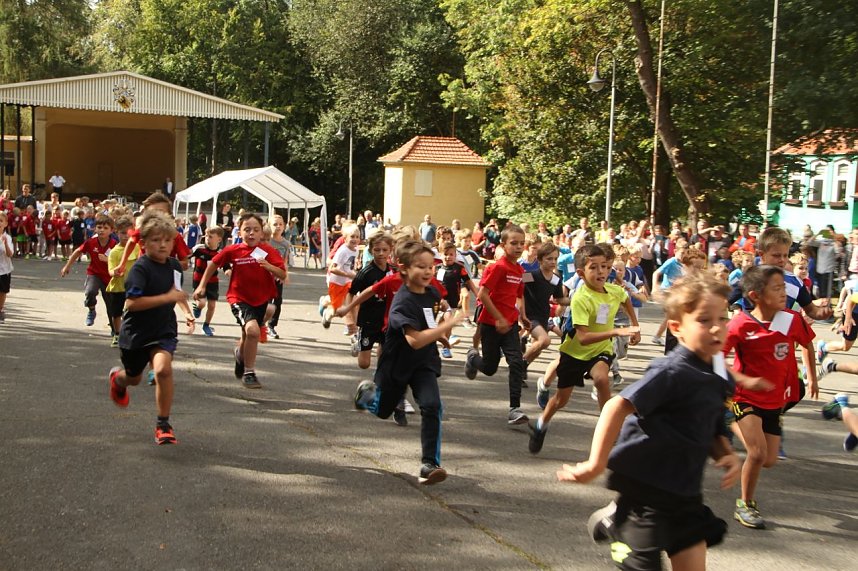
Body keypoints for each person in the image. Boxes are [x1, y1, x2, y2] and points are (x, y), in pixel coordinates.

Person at [557, 271, 741, 571]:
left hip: (685, 494)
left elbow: (709, 424)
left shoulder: (720, 374)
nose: (716, 328)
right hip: (646, 494)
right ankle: (618, 522)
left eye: (723, 318)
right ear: (677, 328)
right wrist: (595, 464)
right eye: (704, 320)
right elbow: (617, 406)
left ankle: (616, 518)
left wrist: (727, 454)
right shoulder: (672, 371)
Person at [354, 240, 464, 485]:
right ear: (403, 269)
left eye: (430, 267)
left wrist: (442, 337)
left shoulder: (432, 293)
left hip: (424, 363)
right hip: (396, 365)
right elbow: (413, 340)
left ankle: (429, 464)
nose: (428, 272)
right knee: (383, 411)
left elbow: (428, 323)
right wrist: (448, 325)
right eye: (421, 267)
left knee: (432, 405)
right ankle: (365, 396)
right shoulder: (402, 303)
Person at [723, 265, 816, 529]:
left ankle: (729, 422)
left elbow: (807, 343)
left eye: (783, 288)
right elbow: (717, 359)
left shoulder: (791, 319)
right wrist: (743, 380)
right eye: (776, 289)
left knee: (769, 460)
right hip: (745, 398)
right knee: (757, 452)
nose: (783, 293)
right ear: (755, 295)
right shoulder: (740, 323)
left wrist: (812, 377)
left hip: (775, 400)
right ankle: (745, 504)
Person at [528, 244, 641, 454]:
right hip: (575, 352)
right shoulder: (581, 298)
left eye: (606, 267)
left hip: (601, 350)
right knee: (561, 400)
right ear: (581, 273)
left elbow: (626, 299)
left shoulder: (614, 291)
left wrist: (635, 327)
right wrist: (617, 332)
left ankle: (610, 427)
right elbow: (584, 337)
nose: (602, 272)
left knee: (602, 379)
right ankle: (541, 424)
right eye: (595, 267)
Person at [107, 210, 195, 445]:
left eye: (167, 240)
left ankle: (163, 424)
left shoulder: (175, 266)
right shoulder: (140, 269)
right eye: (156, 240)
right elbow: (132, 304)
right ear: (143, 243)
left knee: (163, 369)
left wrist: (187, 312)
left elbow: (175, 294)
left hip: (163, 329)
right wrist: (166, 298)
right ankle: (118, 380)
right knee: (133, 379)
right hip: (136, 332)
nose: (163, 245)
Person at [194, 213, 287, 389]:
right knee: (253, 331)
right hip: (239, 298)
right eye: (247, 229)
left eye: (256, 230)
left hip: (261, 298)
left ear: (261, 233)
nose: (251, 233)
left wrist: (270, 267)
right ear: (239, 232)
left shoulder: (268, 251)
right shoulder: (233, 250)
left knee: (247, 334)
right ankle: (249, 372)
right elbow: (214, 263)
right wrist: (202, 286)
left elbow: (282, 274)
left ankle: (240, 355)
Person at [464, 225, 532, 425]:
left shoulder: (520, 270)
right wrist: (498, 318)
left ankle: (514, 408)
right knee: (490, 368)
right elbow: (483, 294)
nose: (519, 247)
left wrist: (523, 316)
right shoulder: (497, 267)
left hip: (510, 324)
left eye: (522, 243)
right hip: (490, 323)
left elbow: (519, 295)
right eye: (514, 243)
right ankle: (473, 358)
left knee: (516, 362)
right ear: (503, 245)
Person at [60, 214, 117, 329]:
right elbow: (77, 252)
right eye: (99, 227)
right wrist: (67, 266)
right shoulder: (91, 242)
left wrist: (108, 260)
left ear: (111, 230)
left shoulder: (114, 244)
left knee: (111, 306)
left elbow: (119, 262)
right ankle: (91, 310)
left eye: (105, 228)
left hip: (109, 277)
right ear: (95, 228)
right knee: (90, 292)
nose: (102, 230)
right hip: (94, 274)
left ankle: (114, 330)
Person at [522, 242, 570, 374]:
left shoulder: (556, 279)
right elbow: (516, 288)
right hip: (529, 316)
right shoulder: (531, 275)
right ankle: (520, 363)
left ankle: (521, 370)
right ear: (540, 259)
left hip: (543, 315)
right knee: (545, 341)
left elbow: (559, 299)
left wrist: (576, 300)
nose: (553, 262)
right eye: (549, 258)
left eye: (555, 258)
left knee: (537, 349)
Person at [436, 240, 479, 358]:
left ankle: (446, 347)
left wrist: (477, 294)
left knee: (448, 321)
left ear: (455, 255)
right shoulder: (436, 268)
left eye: (451, 254)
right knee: (439, 325)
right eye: (445, 254)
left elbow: (468, 281)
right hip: (438, 301)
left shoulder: (459, 268)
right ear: (440, 255)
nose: (448, 257)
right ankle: (440, 339)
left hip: (452, 301)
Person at [106, 216, 140, 347]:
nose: (126, 236)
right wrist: (115, 271)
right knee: (117, 313)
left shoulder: (136, 247)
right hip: (118, 286)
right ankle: (117, 333)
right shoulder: (114, 252)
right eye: (122, 233)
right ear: (116, 233)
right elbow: (110, 271)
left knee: (133, 310)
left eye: (129, 233)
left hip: (133, 286)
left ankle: (132, 334)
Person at [320, 225, 359, 330]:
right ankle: (327, 311)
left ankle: (352, 327)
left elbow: (350, 266)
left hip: (348, 282)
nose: (355, 239)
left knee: (351, 302)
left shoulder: (356, 249)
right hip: (336, 282)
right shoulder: (342, 251)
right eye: (352, 236)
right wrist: (348, 274)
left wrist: (354, 273)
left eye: (357, 237)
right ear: (345, 238)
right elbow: (332, 269)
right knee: (336, 308)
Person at [190, 226, 225, 337]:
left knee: (212, 305)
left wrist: (229, 272)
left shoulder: (220, 253)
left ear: (219, 239)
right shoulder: (199, 249)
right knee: (202, 303)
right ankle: (198, 307)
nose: (207, 239)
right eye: (206, 236)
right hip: (199, 281)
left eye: (210, 237)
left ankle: (206, 325)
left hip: (213, 282)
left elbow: (226, 266)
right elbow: (185, 256)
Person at [0, 211, 13, 322]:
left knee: (3, 292)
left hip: (4, 270)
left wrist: (5, 244)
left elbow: (10, 254)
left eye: (1, 221)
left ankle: (0, 309)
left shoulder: (7, 238)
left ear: (5, 224)